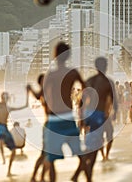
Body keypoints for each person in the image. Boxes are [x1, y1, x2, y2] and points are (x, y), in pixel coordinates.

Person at [40, 42, 86, 182]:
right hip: (68, 117)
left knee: (51, 159)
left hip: (53, 119)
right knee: (82, 156)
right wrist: (81, 105)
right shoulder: (73, 72)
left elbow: (42, 97)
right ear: (68, 56)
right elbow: (86, 88)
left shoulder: (50, 75)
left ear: (54, 56)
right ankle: (79, 177)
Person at [71, 57, 118, 181]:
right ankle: (81, 174)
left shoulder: (89, 81)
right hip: (98, 115)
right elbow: (114, 100)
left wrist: (81, 117)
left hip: (87, 114)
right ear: (105, 66)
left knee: (92, 145)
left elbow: (81, 100)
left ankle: (85, 175)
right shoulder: (108, 82)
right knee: (94, 147)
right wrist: (115, 113)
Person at [27, 74, 49, 182]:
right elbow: (36, 95)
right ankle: (35, 176)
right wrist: (30, 89)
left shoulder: (47, 90)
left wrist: (30, 89)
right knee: (45, 154)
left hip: (51, 125)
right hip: (49, 126)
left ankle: (41, 177)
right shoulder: (44, 91)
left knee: (48, 154)